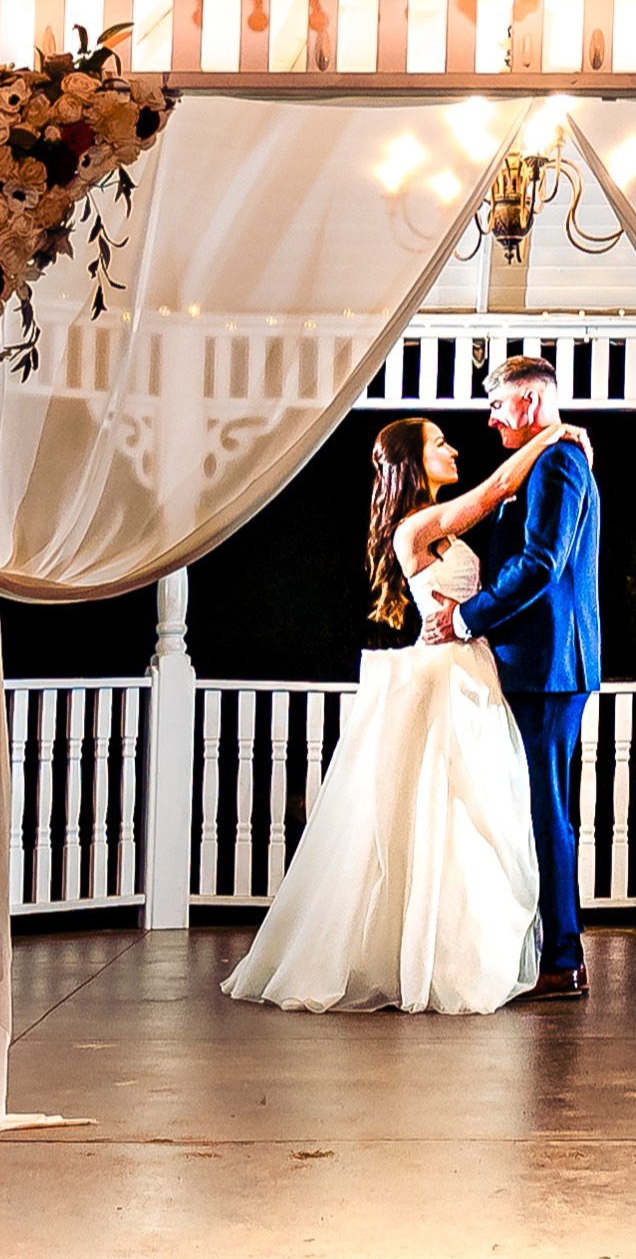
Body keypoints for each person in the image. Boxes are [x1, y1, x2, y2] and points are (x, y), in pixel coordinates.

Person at [220, 413, 567, 1015]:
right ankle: (426, 959)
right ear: (412, 461)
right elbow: (497, 490)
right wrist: (554, 436)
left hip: (466, 670)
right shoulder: (417, 526)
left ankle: (453, 950)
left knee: (465, 820)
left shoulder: (432, 524)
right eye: (439, 444)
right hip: (445, 675)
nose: (454, 449)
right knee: (442, 814)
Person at [445, 353, 604, 1001]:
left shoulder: (559, 463)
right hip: (544, 666)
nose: (490, 419)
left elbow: (541, 563)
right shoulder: (548, 460)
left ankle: (562, 959)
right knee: (544, 812)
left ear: (531, 403)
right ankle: (554, 950)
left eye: (498, 406)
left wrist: (468, 618)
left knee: (548, 815)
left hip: (548, 667)